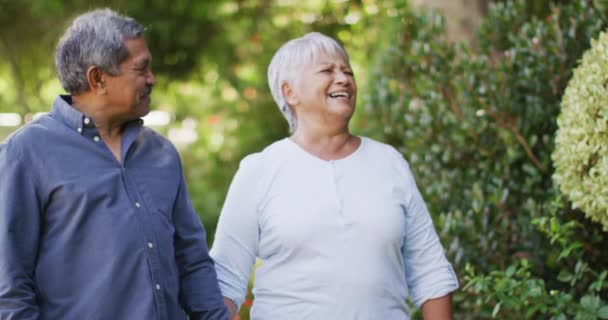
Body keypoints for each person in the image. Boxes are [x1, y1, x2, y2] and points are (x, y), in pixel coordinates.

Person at [210, 32, 459, 319]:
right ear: (290, 92)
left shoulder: (389, 163)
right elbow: (225, 279)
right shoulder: (260, 170)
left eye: (347, 71)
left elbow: (431, 273)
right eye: (327, 71)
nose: (343, 79)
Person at [0, 9, 228, 320]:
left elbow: (191, 260)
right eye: (141, 69)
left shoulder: (161, 153)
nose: (152, 79)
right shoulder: (25, 153)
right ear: (98, 78)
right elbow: (9, 286)